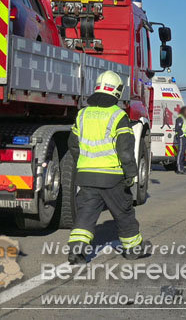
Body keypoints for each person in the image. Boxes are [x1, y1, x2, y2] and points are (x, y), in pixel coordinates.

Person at [67, 71, 150, 264]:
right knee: (124, 212)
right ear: (117, 92)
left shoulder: (82, 114)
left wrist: (85, 163)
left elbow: (73, 144)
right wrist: (131, 173)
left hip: (87, 176)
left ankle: (76, 251)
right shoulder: (117, 115)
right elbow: (126, 150)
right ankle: (133, 248)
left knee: (86, 214)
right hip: (112, 176)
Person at [173, 106, 186, 174]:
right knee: (180, 153)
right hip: (182, 138)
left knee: (182, 153)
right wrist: (182, 135)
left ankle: (181, 167)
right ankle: (179, 169)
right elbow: (178, 128)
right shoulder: (180, 118)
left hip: (185, 138)